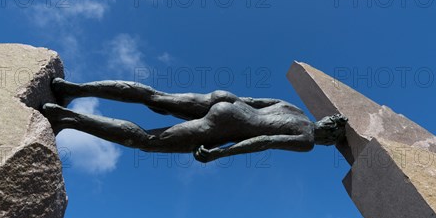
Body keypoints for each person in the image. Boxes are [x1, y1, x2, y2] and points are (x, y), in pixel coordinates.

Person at [42, 78, 347, 163]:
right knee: (148, 141)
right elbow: (265, 141)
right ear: (328, 138)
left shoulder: (293, 107)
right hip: (229, 125)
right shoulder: (307, 140)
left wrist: (228, 104)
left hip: (227, 101)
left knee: (154, 97)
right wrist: (221, 152)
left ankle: (72, 89)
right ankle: (67, 118)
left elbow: (254, 101)